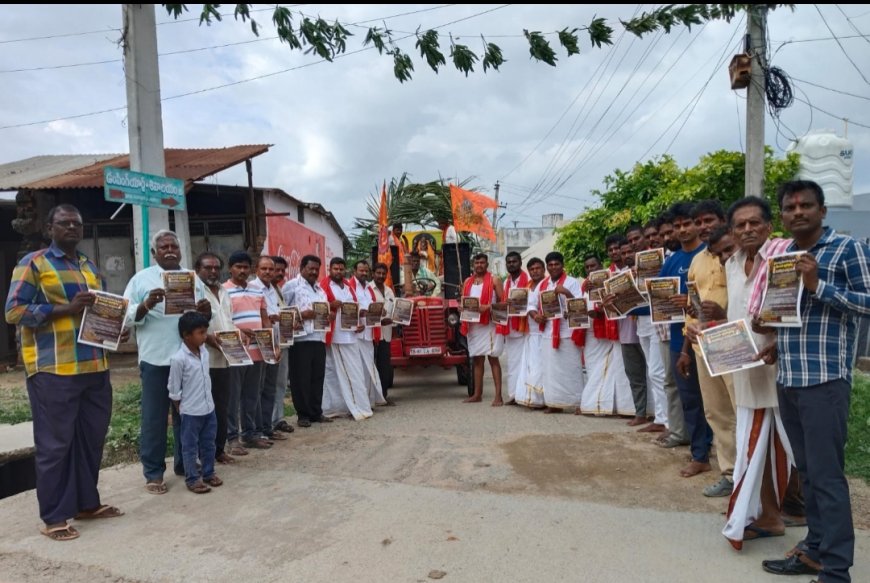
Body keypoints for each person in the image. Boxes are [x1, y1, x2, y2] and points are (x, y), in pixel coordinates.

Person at [758, 180, 869, 583]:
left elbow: (867, 301)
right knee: (807, 472)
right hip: (789, 377)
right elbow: (791, 314)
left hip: (825, 381)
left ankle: (837, 571)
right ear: (783, 215)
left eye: (806, 205)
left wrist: (817, 285)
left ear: (823, 211)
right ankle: (815, 551)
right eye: (790, 207)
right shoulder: (785, 253)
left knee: (826, 476)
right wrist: (774, 341)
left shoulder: (848, 248)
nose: (797, 212)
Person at [5, 204, 124, 541]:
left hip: (95, 365)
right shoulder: (34, 263)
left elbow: (95, 313)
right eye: (64, 223)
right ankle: (55, 516)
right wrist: (63, 310)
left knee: (90, 439)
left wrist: (115, 331)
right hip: (54, 368)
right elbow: (13, 312)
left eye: (77, 223)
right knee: (55, 444)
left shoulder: (88, 266)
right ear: (49, 228)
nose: (72, 227)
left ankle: (87, 503)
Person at [718, 197, 793, 550]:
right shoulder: (732, 263)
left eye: (754, 223)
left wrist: (778, 337)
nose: (747, 230)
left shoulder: (782, 259)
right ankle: (769, 514)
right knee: (756, 447)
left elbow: (793, 310)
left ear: (768, 226)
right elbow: (738, 317)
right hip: (745, 371)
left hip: (783, 369)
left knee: (787, 447)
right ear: (732, 231)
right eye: (740, 225)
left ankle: (783, 511)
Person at [124, 229, 211, 495]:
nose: (170, 250)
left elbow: (203, 317)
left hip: (188, 360)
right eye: (164, 247)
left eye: (174, 246)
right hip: (156, 359)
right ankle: (153, 473)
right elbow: (125, 317)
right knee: (155, 418)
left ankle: (185, 464)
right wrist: (146, 305)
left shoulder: (192, 279)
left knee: (188, 415)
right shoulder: (141, 280)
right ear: (154, 253)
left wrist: (205, 312)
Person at [678, 200, 737, 494]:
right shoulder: (697, 260)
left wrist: (725, 317)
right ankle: (730, 474)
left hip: (736, 343)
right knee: (717, 412)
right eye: (698, 222)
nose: (703, 227)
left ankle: (753, 477)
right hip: (703, 345)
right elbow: (694, 306)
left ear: (723, 219)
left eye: (708, 220)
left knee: (743, 411)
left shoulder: (738, 253)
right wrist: (685, 350)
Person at [659, 202, 713, 480]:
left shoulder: (713, 253)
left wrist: (690, 303)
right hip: (680, 337)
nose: (682, 230)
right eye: (677, 226)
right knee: (690, 397)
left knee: (716, 398)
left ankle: (717, 451)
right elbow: (659, 298)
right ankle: (700, 453)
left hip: (712, 332)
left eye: (686, 224)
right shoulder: (672, 261)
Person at [168, 311, 223, 494]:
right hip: (191, 411)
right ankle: (192, 478)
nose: (204, 336)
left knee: (208, 443)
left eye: (205, 332)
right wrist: (181, 409)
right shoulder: (178, 359)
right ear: (186, 335)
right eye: (200, 333)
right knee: (190, 446)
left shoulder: (205, 352)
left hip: (209, 408)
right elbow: (174, 389)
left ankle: (208, 473)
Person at [223, 251, 272, 450]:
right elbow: (223, 320)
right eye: (238, 267)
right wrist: (239, 330)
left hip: (257, 350)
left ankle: (250, 434)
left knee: (252, 395)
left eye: (245, 267)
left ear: (251, 269)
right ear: (230, 269)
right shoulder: (223, 290)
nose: (242, 270)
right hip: (236, 351)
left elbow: (264, 316)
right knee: (233, 396)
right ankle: (232, 437)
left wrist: (270, 341)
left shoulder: (257, 290)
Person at [195, 251, 240, 464]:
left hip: (225, 358)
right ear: (198, 270)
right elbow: (188, 324)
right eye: (207, 267)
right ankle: (201, 453)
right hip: (203, 359)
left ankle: (219, 450)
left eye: (216, 267)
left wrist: (239, 336)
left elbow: (228, 322)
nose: (213, 271)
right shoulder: (194, 290)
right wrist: (207, 338)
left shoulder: (224, 291)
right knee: (202, 407)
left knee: (221, 406)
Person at [321, 257, 378, 420]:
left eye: (341, 269)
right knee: (337, 373)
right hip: (336, 337)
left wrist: (360, 322)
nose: (338, 272)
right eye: (335, 269)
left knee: (355, 372)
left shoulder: (347, 286)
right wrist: (330, 306)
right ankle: (350, 408)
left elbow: (354, 307)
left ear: (345, 270)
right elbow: (318, 306)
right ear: (329, 269)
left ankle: (352, 406)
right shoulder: (324, 285)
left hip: (351, 334)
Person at [527, 251, 584, 413]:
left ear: (562, 265)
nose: (553, 267)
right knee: (550, 371)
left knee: (572, 369)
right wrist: (536, 316)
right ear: (548, 267)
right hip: (547, 333)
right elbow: (531, 306)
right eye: (550, 265)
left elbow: (579, 305)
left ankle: (577, 403)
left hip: (567, 333)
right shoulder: (542, 285)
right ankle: (554, 403)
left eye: (556, 264)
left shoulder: (572, 282)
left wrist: (566, 293)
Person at [580, 253, 634, 417]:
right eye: (587, 267)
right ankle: (598, 403)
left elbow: (614, 307)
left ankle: (600, 403)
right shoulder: (585, 287)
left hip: (608, 334)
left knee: (610, 370)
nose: (590, 269)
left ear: (600, 266)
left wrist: (598, 311)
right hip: (590, 336)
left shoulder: (610, 282)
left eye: (593, 266)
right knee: (592, 370)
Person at [625, 224, 668, 434]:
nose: (635, 243)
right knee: (653, 370)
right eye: (631, 240)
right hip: (641, 320)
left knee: (659, 371)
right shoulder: (632, 266)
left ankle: (665, 419)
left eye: (637, 238)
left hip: (659, 320)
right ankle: (661, 416)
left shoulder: (661, 259)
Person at [285, 255, 331, 428]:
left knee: (317, 377)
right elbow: (282, 311)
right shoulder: (291, 286)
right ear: (301, 268)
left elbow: (323, 311)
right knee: (301, 378)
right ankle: (303, 414)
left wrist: (329, 315)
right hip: (300, 339)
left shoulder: (320, 289)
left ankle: (316, 412)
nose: (313, 272)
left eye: (316, 269)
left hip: (318, 337)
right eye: (310, 268)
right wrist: (301, 315)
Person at [247, 256, 286, 444]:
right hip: (258, 346)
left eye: (271, 269)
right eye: (264, 269)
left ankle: (267, 428)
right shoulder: (252, 288)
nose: (268, 272)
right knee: (257, 389)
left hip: (274, 344)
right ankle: (255, 430)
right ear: (257, 269)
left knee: (270, 388)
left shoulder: (274, 289)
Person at [460, 253, 505, 406]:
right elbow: (463, 302)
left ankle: (498, 396)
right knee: (477, 360)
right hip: (473, 326)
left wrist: (489, 307)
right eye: (476, 262)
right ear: (473, 264)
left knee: (493, 359)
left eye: (482, 263)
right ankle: (477, 394)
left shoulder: (495, 280)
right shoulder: (467, 281)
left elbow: (504, 303)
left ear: (487, 264)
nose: (479, 265)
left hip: (490, 324)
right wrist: (461, 308)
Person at [514, 257, 547, 408]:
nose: (535, 271)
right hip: (530, 332)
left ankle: (545, 399)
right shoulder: (527, 287)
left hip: (545, 332)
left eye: (538, 268)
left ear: (543, 269)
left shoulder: (547, 285)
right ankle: (531, 399)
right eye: (532, 269)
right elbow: (525, 306)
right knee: (530, 366)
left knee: (542, 367)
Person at [498, 251, 530, 406]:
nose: (511, 264)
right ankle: (514, 394)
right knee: (513, 363)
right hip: (511, 328)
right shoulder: (506, 283)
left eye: (514, 261)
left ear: (520, 263)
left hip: (526, 327)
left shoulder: (528, 280)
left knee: (527, 363)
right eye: (508, 262)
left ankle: (525, 394)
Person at [270, 255, 295, 435]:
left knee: (280, 384)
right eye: (274, 269)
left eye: (281, 270)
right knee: (267, 385)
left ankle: (277, 419)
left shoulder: (278, 289)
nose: (278, 273)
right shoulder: (258, 289)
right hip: (268, 344)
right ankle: (267, 422)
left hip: (283, 342)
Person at [367, 262, 396, 403]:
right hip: (373, 334)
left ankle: (383, 396)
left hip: (387, 334)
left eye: (383, 273)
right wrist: (379, 320)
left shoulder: (389, 291)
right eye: (378, 273)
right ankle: (372, 397)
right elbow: (366, 312)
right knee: (372, 365)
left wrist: (395, 320)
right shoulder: (368, 289)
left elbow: (394, 311)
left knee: (384, 366)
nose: (381, 276)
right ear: (373, 274)